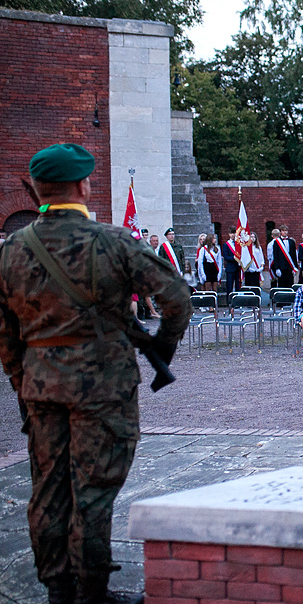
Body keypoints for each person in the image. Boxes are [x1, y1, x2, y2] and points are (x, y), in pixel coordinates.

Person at [0, 143, 192, 604]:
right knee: (93, 489)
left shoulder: (11, 250)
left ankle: (59, 590)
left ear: (40, 188)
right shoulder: (112, 241)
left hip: (40, 386)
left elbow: (5, 335)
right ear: (84, 185)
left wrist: (23, 384)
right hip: (102, 388)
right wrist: (160, 349)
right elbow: (177, 299)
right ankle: (91, 593)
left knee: (48, 489)